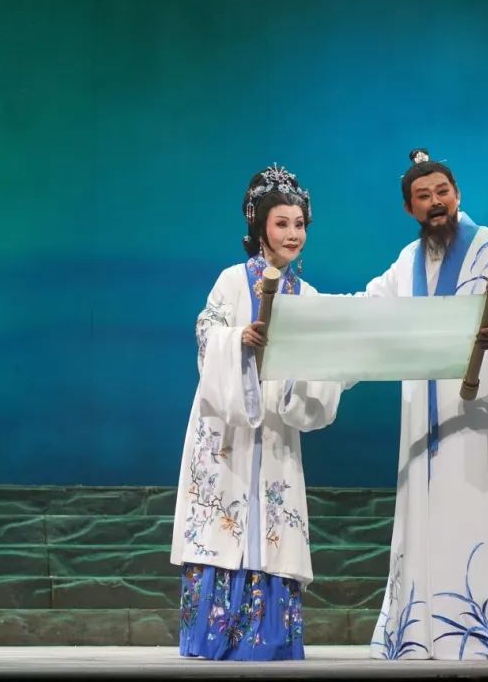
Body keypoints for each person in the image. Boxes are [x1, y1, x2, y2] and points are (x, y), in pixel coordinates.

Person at [364, 149, 488, 661]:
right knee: (425, 520)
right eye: (423, 196)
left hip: (476, 419)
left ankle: (482, 629)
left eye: (442, 192)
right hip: (423, 422)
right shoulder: (405, 263)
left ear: (458, 194)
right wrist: (310, 323)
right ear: (410, 208)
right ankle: (418, 632)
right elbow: (370, 312)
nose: (435, 202)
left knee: (476, 516)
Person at [170, 164, 343, 661]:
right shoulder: (231, 281)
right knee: (222, 521)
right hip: (227, 427)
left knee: (270, 522)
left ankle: (268, 638)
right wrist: (237, 342)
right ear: (260, 229)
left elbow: (321, 363)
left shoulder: (308, 298)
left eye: (299, 224)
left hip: (275, 429)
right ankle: (214, 637)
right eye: (281, 223)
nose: (292, 233)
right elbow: (206, 333)